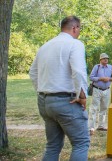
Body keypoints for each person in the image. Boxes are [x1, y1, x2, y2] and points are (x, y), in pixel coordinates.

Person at [29, 16, 90, 161]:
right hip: (66, 101)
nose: (79, 31)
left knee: (53, 146)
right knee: (81, 143)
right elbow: (78, 72)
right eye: (79, 28)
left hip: (45, 101)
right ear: (75, 28)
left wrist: (43, 91)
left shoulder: (45, 46)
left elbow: (33, 72)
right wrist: (82, 96)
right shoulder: (75, 44)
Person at [88, 52, 112, 136]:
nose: (106, 59)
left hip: (107, 90)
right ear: (100, 59)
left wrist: (109, 79)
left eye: (107, 58)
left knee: (104, 108)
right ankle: (91, 127)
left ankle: (101, 126)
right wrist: (100, 78)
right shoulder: (97, 67)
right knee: (94, 108)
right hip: (97, 90)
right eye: (104, 58)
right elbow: (91, 77)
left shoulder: (110, 67)